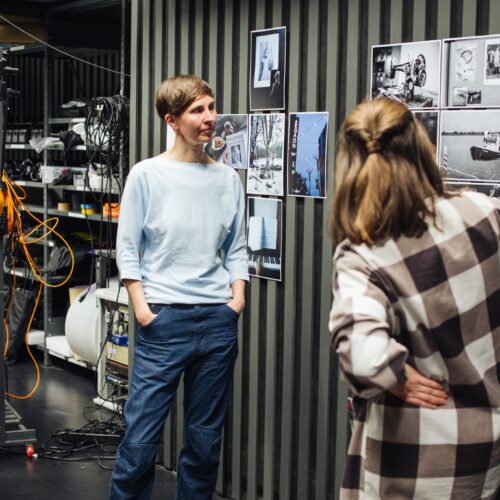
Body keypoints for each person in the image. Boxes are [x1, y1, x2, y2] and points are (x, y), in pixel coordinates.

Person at [328, 98, 500, 500]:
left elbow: (363, 354)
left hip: (413, 463)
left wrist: (398, 376)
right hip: (487, 456)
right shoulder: (484, 212)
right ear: (423, 149)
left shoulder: (363, 256)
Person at [109, 75, 248, 500]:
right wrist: (142, 309)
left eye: (211, 107)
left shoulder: (227, 179)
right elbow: (127, 249)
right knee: (139, 444)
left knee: (204, 446)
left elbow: (237, 248)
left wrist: (237, 299)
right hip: (163, 321)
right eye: (197, 110)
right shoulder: (146, 175)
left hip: (217, 322)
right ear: (172, 120)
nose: (209, 118)